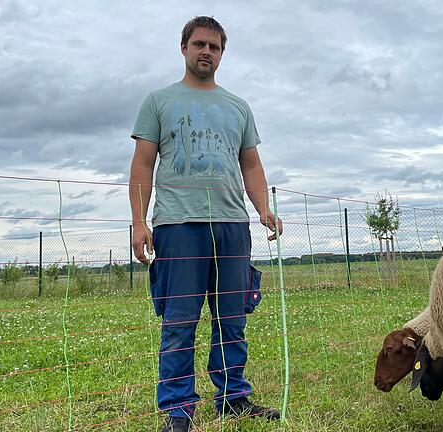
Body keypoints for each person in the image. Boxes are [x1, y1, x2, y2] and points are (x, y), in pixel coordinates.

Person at [128, 16, 283, 432]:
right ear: (183, 48)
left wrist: (263, 208)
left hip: (232, 224)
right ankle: (178, 410)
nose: (206, 52)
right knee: (179, 321)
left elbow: (251, 165)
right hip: (178, 225)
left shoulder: (238, 107)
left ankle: (234, 398)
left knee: (232, 318)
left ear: (222, 54)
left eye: (214, 47)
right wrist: (138, 222)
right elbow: (142, 164)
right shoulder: (158, 102)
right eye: (199, 44)